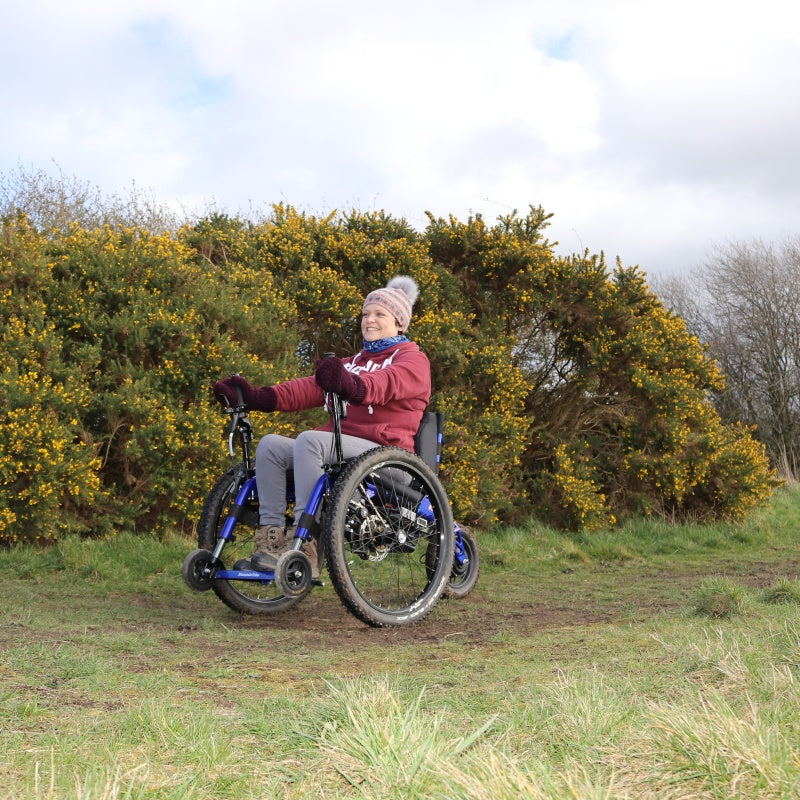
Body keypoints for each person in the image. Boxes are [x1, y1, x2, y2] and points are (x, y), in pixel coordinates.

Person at [213, 275, 431, 575]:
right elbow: (307, 388)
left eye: (380, 314)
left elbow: (386, 383)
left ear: (399, 323)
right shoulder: (352, 361)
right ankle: (271, 541)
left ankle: (307, 544)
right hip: (339, 448)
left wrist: (351, 385)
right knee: (271, 446)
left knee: (309, 440)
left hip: (386, 455)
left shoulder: (412, 359)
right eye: (366, 314)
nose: (370, 320)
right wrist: (256, 397)